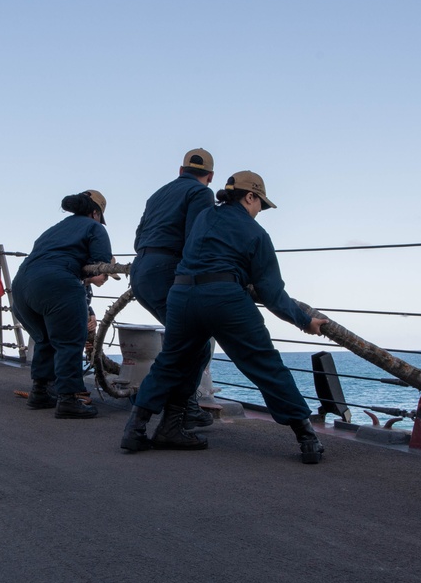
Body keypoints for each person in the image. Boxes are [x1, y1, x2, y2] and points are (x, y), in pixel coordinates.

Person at [121, 171, 329, 463]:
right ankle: (307, 438)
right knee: (264, 364)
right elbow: (271, 291)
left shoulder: (203, 218)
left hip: (181, 295)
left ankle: (136, 428)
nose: (260, 212)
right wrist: (304, 320)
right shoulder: (256, 233)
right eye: (261, 205)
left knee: (170, 362)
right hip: (224, 298)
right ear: (249, 196)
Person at [130, 148, 217, 431]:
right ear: (210, 177)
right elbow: (196, 240)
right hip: (166, 272)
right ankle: (178, 411)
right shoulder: (201, 193)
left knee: (185, 341)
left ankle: (173, 408)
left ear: (180, 171)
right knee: (195, 343)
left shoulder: (157, 194)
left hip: (140, 270)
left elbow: (138, 238)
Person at [12, 190, 112, 418]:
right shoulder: (95, 227)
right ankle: (68, 399)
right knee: (69, 342)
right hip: (56, 284)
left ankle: (40, 392)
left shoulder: (55, 228)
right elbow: (100, 266)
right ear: (95, 213)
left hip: (21, 287)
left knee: (45, 338)